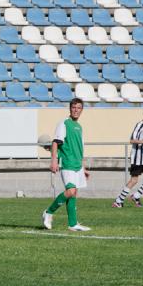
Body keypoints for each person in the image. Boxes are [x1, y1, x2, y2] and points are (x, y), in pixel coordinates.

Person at [42, 98, 91, 232]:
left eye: (79, 108)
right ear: (70, 109)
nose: (76, 110)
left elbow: (79, 148)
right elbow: (55, 142)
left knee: (74, 194)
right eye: (74, 107)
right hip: (67, 163)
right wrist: (54, 161)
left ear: (82, 110)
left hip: (77, 165)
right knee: (70, 191)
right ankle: (49, 212)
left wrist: (83, 167)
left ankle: (73, 224)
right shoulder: (64, 123)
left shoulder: (79, 127)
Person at [113, 105, 143, 208]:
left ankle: (136, 196)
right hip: (137, 158)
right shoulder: (140, 125)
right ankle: (118, 201)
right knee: (134, 180)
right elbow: (132, 140)